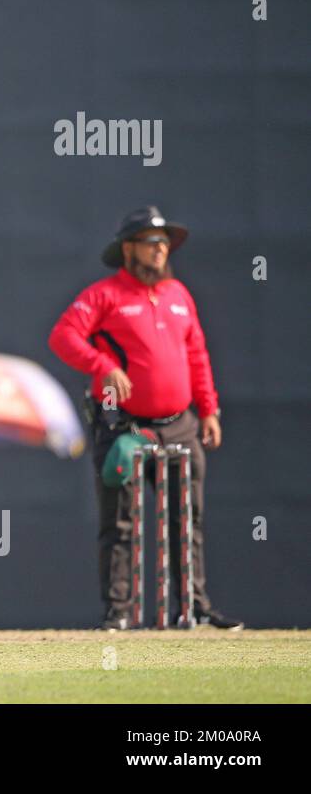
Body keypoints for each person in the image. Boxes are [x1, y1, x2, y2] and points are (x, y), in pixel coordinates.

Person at [48, 206, 241, 631]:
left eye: (164, 242)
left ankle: (193, 607)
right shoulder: (104, 295)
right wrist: (102, 366)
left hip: (180, 422)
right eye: (152, 242)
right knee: (120, 521)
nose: (161, 250)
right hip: (124, 426)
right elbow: (63, 335)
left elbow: (197, 355)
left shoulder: (178, 295)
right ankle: (119, 611)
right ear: (129, 248)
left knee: (186, 518)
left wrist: (208, 410)